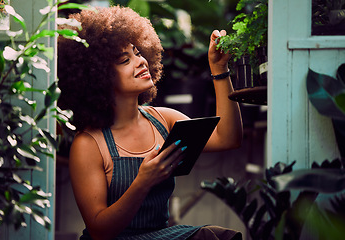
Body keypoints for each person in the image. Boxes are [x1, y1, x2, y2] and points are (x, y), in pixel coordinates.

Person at [57, 5, 243, 240]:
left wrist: (219, 69)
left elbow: (228, 138)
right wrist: (143, 182)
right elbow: (99, 231)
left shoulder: (163, 119)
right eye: (125, 60)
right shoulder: (88, 145)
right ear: (97, 76)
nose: (140, 61)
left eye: (138, 52)